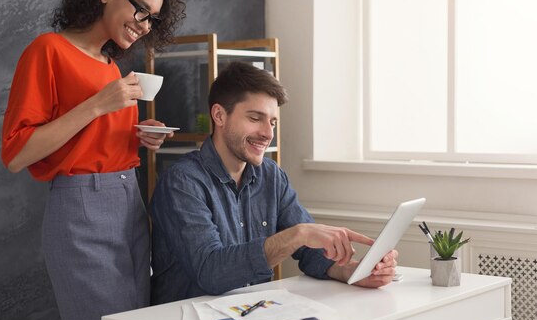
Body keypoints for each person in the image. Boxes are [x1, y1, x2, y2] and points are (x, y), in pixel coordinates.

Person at [0, 0, 185, 320]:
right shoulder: (48, 51)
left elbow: (90, 140)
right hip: (81, 212)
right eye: (140, 9)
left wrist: (138, 137)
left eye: (152, 18)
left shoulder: (109, 65)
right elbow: (16, 153)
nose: (144, 24)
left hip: (129, 205)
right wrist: (98, 106)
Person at [150, 61, 398, 304]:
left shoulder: (271, 176)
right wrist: (298, 234)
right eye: (255, 118)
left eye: (272, 122)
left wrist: (355, 273)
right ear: (219, 115)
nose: (268, 133)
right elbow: (211, 272)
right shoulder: (182, 182)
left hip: (251, 319)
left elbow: (311, 252)